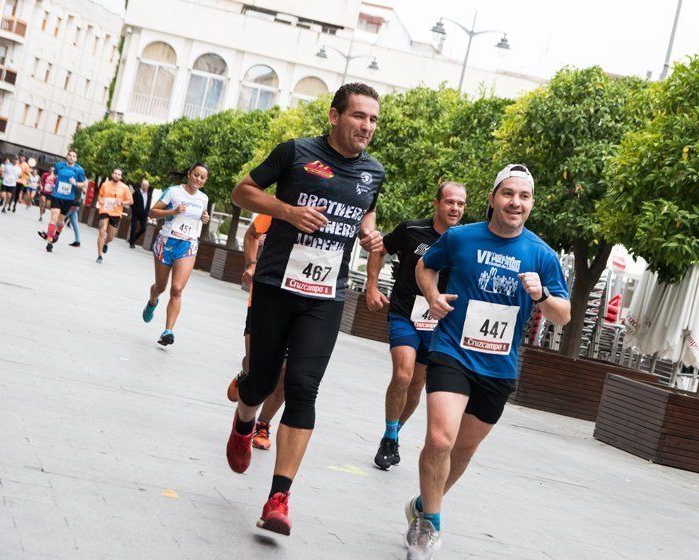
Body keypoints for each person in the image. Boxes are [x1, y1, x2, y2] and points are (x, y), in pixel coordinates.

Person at [226, 82, 384, 536]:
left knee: (302, 387)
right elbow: (242, 192)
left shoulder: (373, 172)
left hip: (326, 295)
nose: (367, 126)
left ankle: (279, 497)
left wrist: (370, 235)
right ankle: (243, 423)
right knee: (259, 381)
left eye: (373, 119)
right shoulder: (295, 152)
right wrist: (287, 211)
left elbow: (366, 211)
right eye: (359, 116)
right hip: (276, 284)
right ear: (335, 116)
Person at [402, 164, 571, 560]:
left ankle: (424, 506)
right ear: (493, 198)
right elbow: (424, 265)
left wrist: (543, 295)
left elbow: (563, 315)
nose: (516, 202)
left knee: (461, 451)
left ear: (531, 204)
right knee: (440, 439)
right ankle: (431, 526)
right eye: (508, 194)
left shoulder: (542, 255)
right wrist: (432, 295)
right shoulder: (461, 238)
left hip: (498, 367)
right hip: (452, 352)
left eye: (524, 196)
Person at [367, 181, 467, 470]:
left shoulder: (465, 240)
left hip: (438, 322)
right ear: (436, 204)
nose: (455, 208)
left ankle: (394, 433)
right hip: (404, 312)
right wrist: (371, 287)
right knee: (402, 373)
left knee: (417, 383)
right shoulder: (412, 230)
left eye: (460, 204)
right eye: (449, 202)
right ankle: (388, 436)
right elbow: (379, 249)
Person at [226, 214, 287, 451]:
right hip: (265, 294)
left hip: (304, 302)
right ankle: (246, 374)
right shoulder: (279, 204)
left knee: (285, 370)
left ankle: (262, 424)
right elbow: (252, 234)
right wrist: (251, 265)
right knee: (257, 366)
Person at [142, 164, 210, 346]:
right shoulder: (173, 192)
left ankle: (168, 331)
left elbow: (199, 218)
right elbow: (152, 212)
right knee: (161, 287)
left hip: (187, 245)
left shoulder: (204, 198)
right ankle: (152, 300)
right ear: (189, 174)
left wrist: (205, 219)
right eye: (196, 175)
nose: (198, 179)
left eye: (202, 177)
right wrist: (173, 211)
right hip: (167, 242)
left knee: (177, 289)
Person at [39, 151, 86, 252]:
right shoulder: (59, 166)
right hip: (56, 195)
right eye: (69, 155)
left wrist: (76, 183)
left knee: (60, 222)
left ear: (76, 159)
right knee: (53, 218)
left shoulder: (79, 170)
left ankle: (57, 233)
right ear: (66, 156)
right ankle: (50, 241)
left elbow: (84, 184)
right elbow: (56, 176)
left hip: (68, 199)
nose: (71, 157)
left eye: (74, 156)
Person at [95, 168, 133, 263]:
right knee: (102, 231)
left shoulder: (125, 188)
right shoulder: (105, 184)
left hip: (116, 213)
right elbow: (100, 195)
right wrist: (100, 200)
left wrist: (122, 202)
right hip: (104, 210)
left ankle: (106, 243)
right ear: (112, 174)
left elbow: (131, 201)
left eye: (119, 174)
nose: (116, 175)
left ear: (121, 177)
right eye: (115, 173)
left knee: (111, 236)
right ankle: (99, 256)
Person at [129, 179, 152, 249]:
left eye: (146, 186)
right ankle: (132, 243)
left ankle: (132, 239)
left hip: (144, 215)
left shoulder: (149, 195)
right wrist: (135, 210)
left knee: (143, 228)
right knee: (133, 227)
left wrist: (147, 213)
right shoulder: (136, 192)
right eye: (144, 185)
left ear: (148, 187)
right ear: (141, 185)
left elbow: (148, 205)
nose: (145, 187)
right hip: (135, 214)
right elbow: (131, 203)